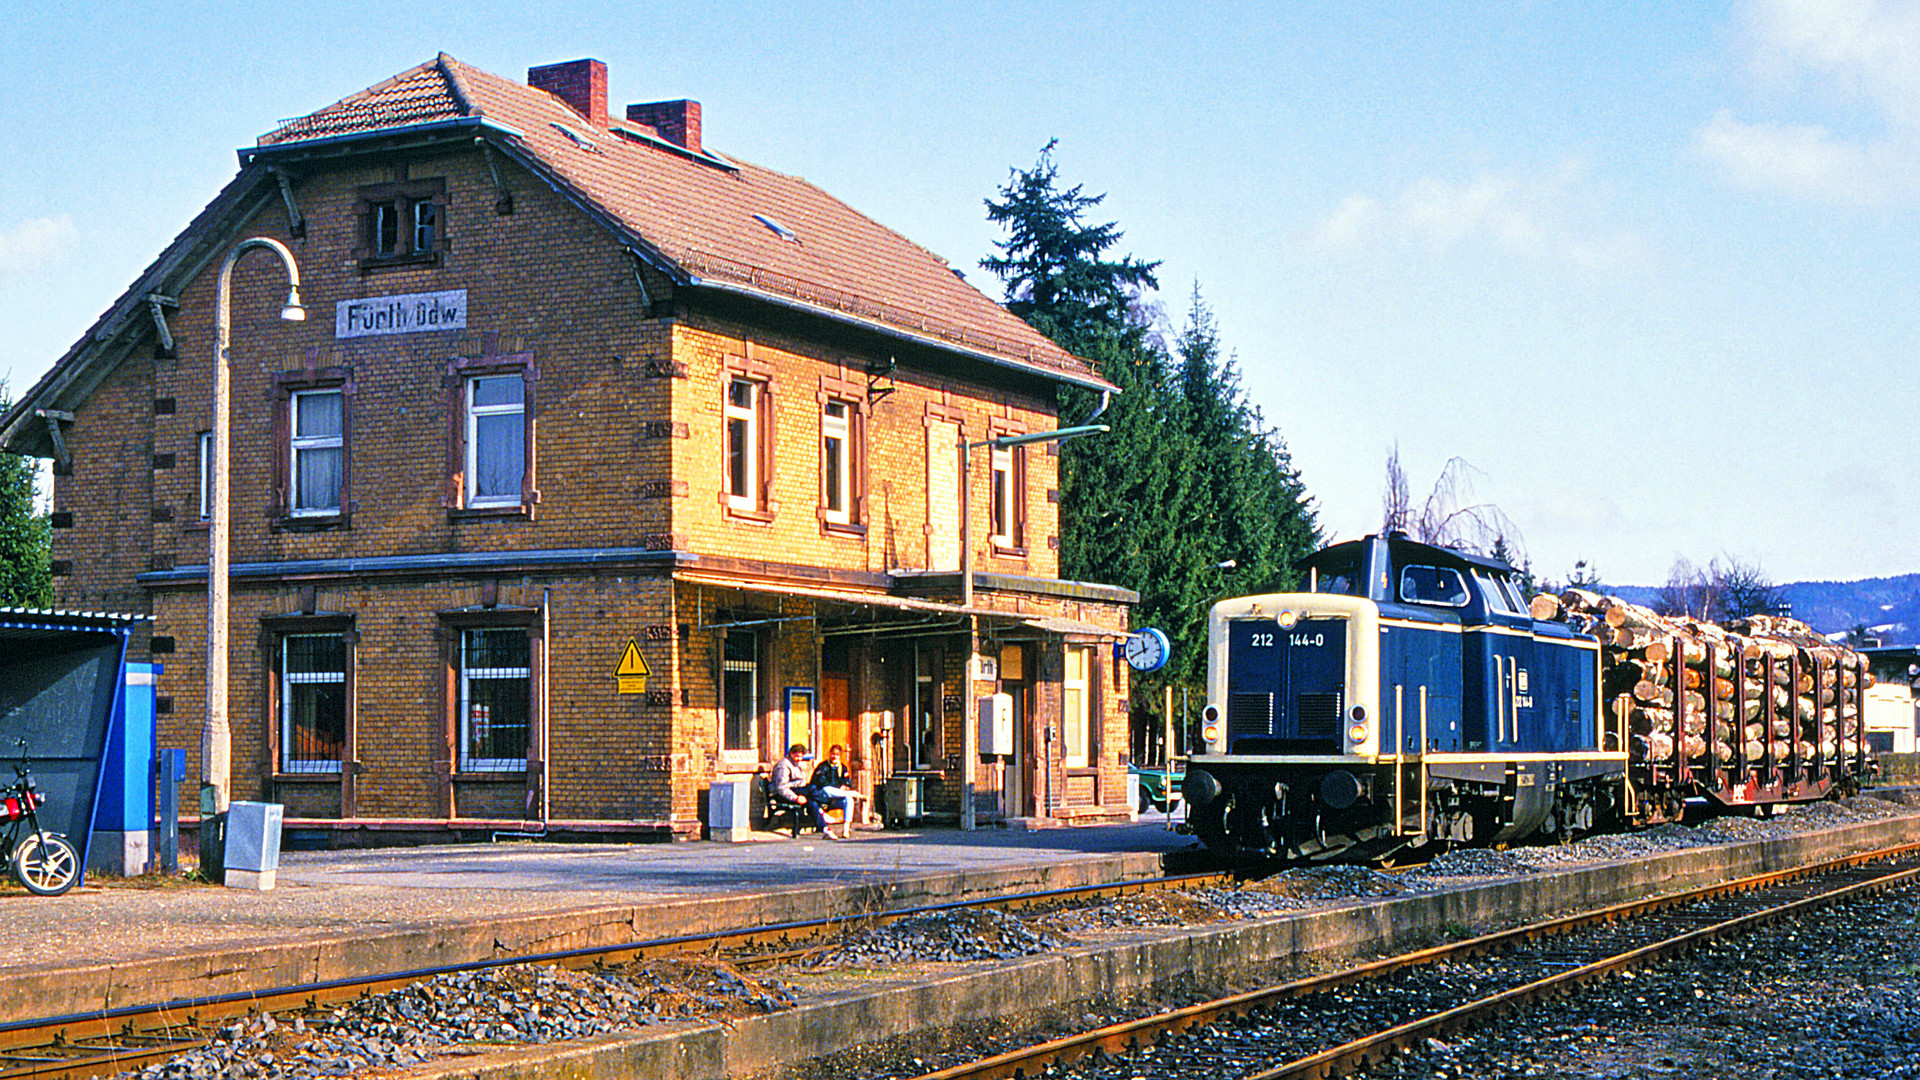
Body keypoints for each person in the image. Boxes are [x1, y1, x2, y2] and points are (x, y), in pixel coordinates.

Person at [810, 744, 866, 840]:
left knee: (848, 800)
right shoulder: (823, 767)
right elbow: (821, 782)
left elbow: (848, 782)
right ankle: (854, 794)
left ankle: (846, 829)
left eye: (836, 755)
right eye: (832, 754)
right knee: (827, 789)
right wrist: (839, 787)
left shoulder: (842, 768)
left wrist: (846, 786)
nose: (834, 757)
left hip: (836, 797)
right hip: (822, 796)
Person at [770, 744, 828, 835]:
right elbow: (781, 787)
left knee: (811, 803)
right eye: (797, 756)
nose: (799, 759)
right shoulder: (784, 765)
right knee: (812, 788)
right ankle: (822, 810)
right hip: (783, 794)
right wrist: (795, 798)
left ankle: (823, 827)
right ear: (791, 754)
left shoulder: (796, 764)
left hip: (794, 790)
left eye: (801, 757)